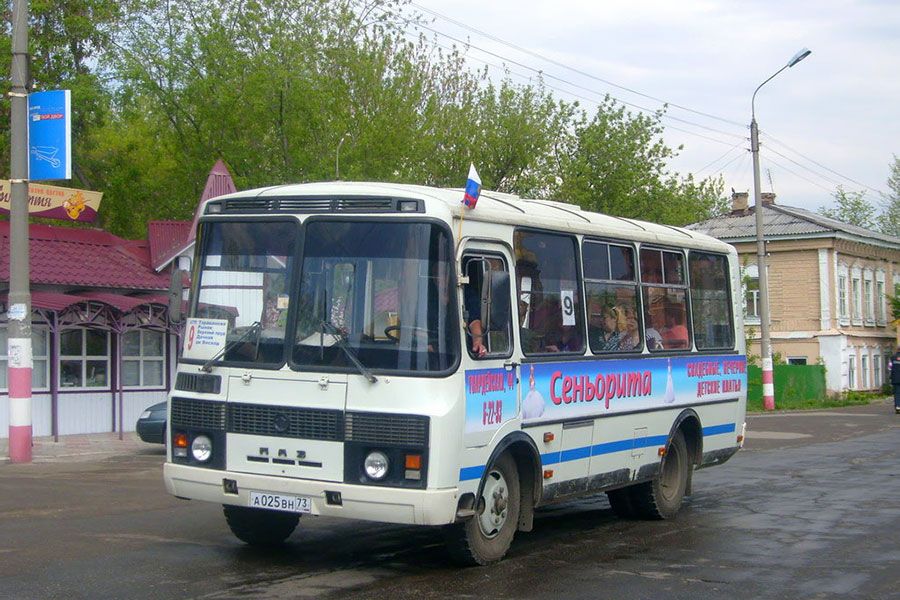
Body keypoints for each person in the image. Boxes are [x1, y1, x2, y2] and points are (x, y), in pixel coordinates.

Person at [891, 349, 900, 414]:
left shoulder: (892, 357)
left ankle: (897, 406)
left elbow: (889, 367)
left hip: (895, 378)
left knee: (897, 393)